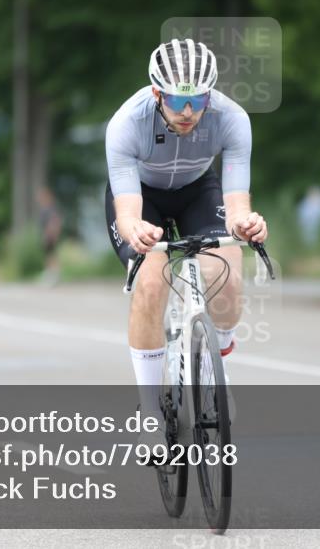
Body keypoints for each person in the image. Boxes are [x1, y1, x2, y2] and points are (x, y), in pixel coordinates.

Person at [104, 38, 268, 431]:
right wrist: (136, 230)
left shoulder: (232, 119)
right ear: (157, 93)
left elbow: (236, 205)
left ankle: (214, 366)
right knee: (151, 282)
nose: (189, 111)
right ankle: (149, 412)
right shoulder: (126, 124)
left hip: (197, 190)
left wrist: (246, 223)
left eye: (198, 99)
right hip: (142, 198)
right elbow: (127, 215)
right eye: (178, 101)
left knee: (228, 267)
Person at [37, 186, 63, 285]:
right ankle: (51, 274)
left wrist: (51, 234)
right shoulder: (45, 208)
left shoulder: (50, 209)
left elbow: (55, 221)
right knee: (49, 255)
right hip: (47, 236)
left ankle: (53, 275)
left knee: (51, 256)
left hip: (49, 236)